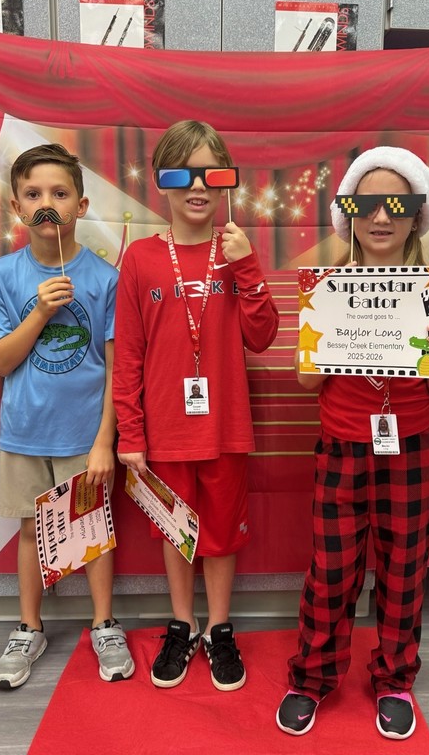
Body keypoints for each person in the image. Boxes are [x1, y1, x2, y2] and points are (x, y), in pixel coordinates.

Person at [276, 146, 429, 740]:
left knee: (404, 570)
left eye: (398, 205)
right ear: (348, 215)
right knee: (331, 572)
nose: (381, 218)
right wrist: (318, 334)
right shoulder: (327, 289)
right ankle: (311, 677)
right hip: (342, 447)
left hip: (411, 447)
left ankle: (394, 680)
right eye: (366, 204)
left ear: (416, 218)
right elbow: (309, 382)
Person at [113, 120, 280, 692]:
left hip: (227, 426)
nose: (197, 186)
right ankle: (181, 625)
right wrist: (129, 433)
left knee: (224, 533)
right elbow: (128, 354)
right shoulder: (139, 258)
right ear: (162, 183)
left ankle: (220, 626)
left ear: (226, 181)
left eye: (211, 173)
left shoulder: (235, 252)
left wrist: (249, 268)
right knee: (176, 531)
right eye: (182, 173)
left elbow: (262, 337)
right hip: (163, 430)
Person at [0, 143, 133, 690]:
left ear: (82, 205)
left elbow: (118, 368)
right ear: (18, 208)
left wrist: (103, 442)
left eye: (60, 193)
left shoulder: (106, 279)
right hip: (23, 432)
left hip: (84, 434)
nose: (48, 204)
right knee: (29, 530)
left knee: (91, 530)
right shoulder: (3, 274)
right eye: (35, 194)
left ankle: (104, 624)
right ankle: (28, 627)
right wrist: (41, 311)